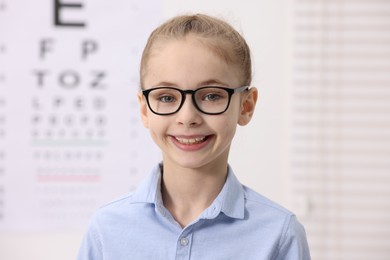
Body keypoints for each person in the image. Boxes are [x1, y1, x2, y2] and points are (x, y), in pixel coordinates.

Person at [78, 13, 310, 259]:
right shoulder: (106, 230)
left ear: (246, 106)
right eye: (166, 97)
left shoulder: (279, 234)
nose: (187, 116)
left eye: (211, 95)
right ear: (144, 109)